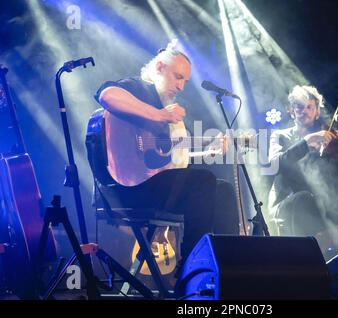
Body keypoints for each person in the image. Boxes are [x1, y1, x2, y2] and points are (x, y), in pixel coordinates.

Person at [93, 42, 240, 274]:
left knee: (223, 191)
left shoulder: (166, 107)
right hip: (124, 189)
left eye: (185, 81)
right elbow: (106, 95)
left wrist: (206, 151)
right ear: (159, 67)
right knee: (202, 182)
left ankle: (228, 266)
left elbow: (170, 156)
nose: (181, 87)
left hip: (149, 184)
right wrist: (160, 115)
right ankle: (191, 269)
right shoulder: (139, 88)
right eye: (178, 77)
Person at [268, 85, 338, 256]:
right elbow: (274, 164)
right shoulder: (281, 136)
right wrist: (306, 141)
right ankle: (315, 263)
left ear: (317, 111)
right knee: (305, 199)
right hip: (289, 202)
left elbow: (331, 179)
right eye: (299, 106)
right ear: (291, 110)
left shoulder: (325, 139)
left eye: (309, 106)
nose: (304, 111)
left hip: (324, 205)